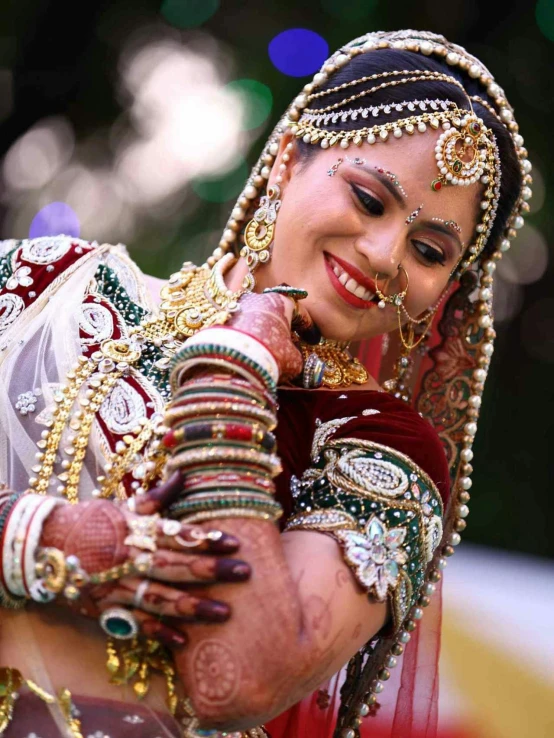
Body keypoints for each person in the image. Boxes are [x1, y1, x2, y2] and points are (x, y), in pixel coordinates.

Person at [0, 28, 529, 738]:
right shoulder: (50, 284)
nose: (383, 254)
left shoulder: (383, 451)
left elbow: (237, 679)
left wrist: (232, 368)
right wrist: (42, 538)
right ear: (286, 161)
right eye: (371, 201)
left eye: (429, 250)